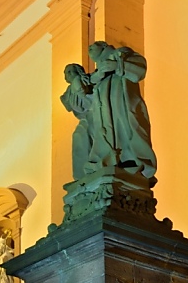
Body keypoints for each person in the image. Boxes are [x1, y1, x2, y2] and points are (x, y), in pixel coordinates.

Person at [61, 42, 157, 181]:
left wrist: (118, 66)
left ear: (104, 46)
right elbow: (88, 104)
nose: (89, 49)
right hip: (104, 118)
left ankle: (133, 163)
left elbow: (140, 69)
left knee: (127, 131)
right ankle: (108, 164)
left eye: (93, 47)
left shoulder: (121, 54)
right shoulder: (96, 75)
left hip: (122, 108)